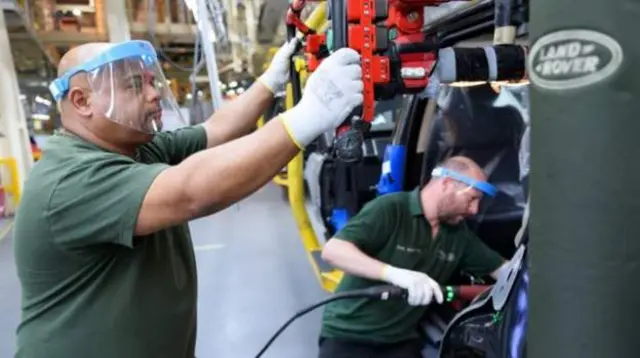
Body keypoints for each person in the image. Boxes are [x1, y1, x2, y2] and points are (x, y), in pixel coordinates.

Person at [12, 38, 363, 358]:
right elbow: (190, 193)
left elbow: (217, 130)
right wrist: (310, 115)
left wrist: (269, 82)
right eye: (135, 85)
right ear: (82, 101)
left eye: (151, 82)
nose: (153, 94)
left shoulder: (136, 148)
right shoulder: (69, 179)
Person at [318, 156, 509, 358]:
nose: (475, 210)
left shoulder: (458, 236)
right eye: (472, 198)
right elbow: (333, 250)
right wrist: (394, 274)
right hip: (349, 336)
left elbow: (506, 272)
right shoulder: (391, 210)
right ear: (446, 184)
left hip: (400, 341)